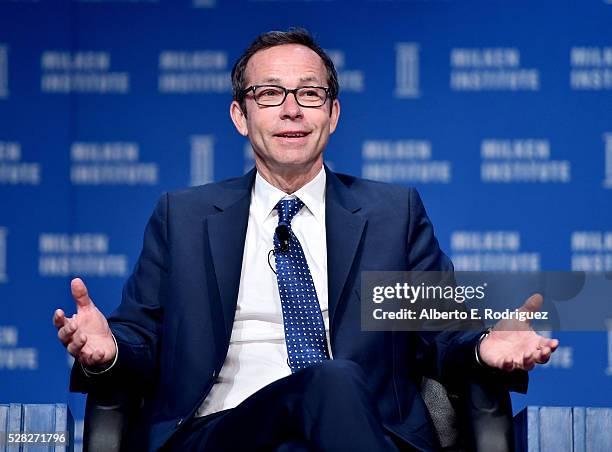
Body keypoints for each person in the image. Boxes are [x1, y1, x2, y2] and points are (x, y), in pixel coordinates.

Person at [53, 29, 558, 452]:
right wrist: (109, 349)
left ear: (332, 115)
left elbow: (442, 333)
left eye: (309, 94)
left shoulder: (390, 215)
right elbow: (141, 338)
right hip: (222, 432)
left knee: (334, 383)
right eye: (269, 94)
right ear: (240, 116)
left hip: (365, 431)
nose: (291, 110)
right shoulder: (182, 217)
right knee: (331, 380)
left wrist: (484, 347)